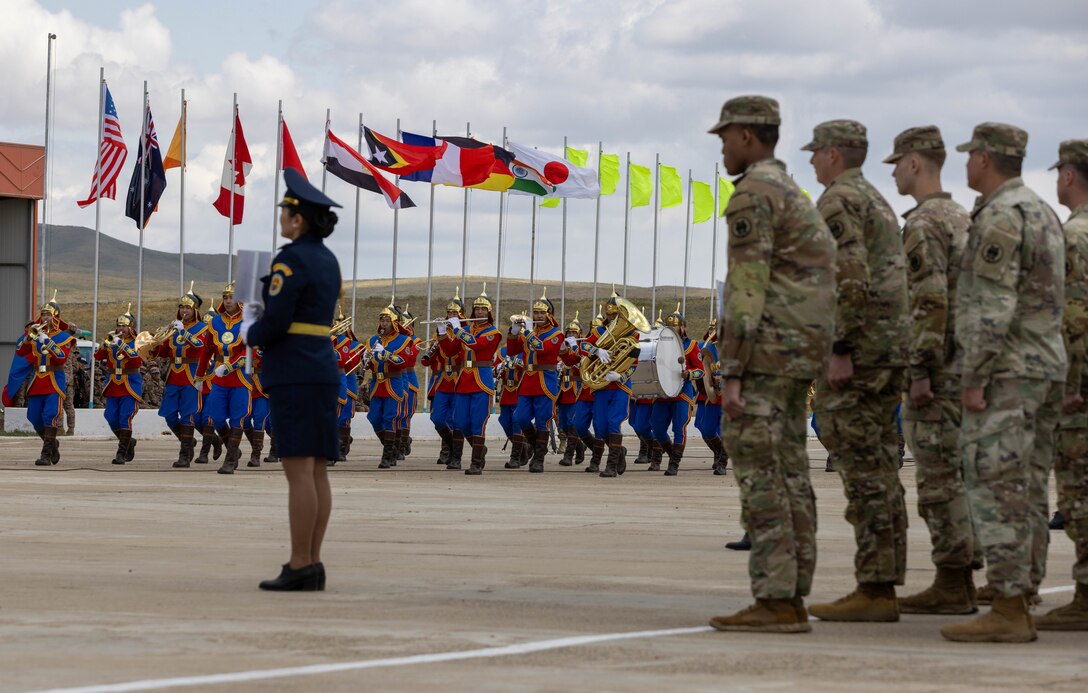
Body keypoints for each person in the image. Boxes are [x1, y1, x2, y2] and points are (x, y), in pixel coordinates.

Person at [705, 95, 836, 633]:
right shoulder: (793, 192)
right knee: (790, 475)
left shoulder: (754, 194)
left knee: (762, 475)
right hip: (798, 353)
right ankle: (792, 595)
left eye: (724, 137)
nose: (721, 147)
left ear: (746, 137)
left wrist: (731, 369)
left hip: (765, 356)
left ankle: (777, 600)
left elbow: (746, 287)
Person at [941, 123, 1066, 643]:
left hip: (1007, 371)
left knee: (996, 486)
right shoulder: (1042, 211)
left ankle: (1010, 605)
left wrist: (974, 375)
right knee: (1029, 484)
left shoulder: (1000, 216)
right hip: (1044, 366)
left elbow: (991, 306)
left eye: (971, 155)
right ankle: (1023, 591)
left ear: (987, 160)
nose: (966, 164)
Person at [804, 119, 911, 623]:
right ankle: (883, 581)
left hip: (860, 351)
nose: (810, 161)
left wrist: (840, 346)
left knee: (864, 470)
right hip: (886, 348)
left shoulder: (840, 200)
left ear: (832, 154)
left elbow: (848, 276)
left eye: (815, 153)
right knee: (881, 468)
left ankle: (874, 587)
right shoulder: (875, 200)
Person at [884, 126, 978, 614]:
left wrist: (918, 371)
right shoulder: (961, 216)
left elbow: (928, 302)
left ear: (915, 163)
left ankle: (951, 582)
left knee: (939, 481)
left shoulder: (924, 223)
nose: (895, 172)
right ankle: (963, 579)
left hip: (936, 374)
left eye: (897, 164)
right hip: (963, 368)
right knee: (959, 476)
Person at [241, 167, 342, 592]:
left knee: (298, 470)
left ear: (298, 219)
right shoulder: (327, 259)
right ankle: (312, 562)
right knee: (316, 469)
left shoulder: (292, 258)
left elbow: (278, 320)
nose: (282, 215)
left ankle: (300, 563)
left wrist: (251, 332)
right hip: (319, 366)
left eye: (286, 210)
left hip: (294, 369)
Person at [1037, 138, 1088, 630]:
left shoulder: (1074, 236)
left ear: (1069, 177)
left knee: (1079, 491)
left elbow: (1073, 318)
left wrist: (1068, 382)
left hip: (1081, 383)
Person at [579, 290, 643, 477]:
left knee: (613, 423)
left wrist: (620, 376)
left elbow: (634, 363)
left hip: (619, 386)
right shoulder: (598, 331)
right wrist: (596, 351)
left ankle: (611, 465)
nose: (613, 318)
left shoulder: (633, 335)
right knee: (599, 425)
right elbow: (583, 346)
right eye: (610, 315)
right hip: (601, 385)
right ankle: (619, 452)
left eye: (616, 315)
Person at [443, 284, 502, 474]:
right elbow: (452, 351)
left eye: (483, 309)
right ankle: (480, 449)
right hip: (464, 381)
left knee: (478, 421)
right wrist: (443, 333)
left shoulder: (494, 332)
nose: (479, 311)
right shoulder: (466, 328)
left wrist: (458, 330)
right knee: (459, 421)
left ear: (489, 312)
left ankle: (476, 462)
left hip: (481, 380)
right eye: (477, 308)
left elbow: (476, 345)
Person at [14, 292, 75, 466]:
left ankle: (46, 454)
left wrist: (48, 341)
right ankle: (52, 443)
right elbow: (20, 352)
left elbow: (61, 358)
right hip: (37, 379)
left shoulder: (64, 337)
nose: (45, 317)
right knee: (33, 416)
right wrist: (28, 338)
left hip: (54, 378)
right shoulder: (35, 334)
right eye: (43, 314)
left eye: (48, 314)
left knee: (51, 414)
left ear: (56, 316)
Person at [197, 283, 252, 474]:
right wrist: (199, 375)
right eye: (226, 297)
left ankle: (229, 461)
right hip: (219, 378)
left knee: (238, 419)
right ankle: (234, 452)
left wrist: (230, 366)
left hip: (240, 378)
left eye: (232, 297)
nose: (228, 301)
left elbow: (249, 352)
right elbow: (207, 350)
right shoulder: (215, 322)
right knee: (216, 417)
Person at [507, 289, 563, 473]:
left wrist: (529, 332)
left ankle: (539, 458)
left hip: (545, 381)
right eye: (536, 312)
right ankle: (536, 445)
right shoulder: (527, 333)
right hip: (528, 381)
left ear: (549, 315)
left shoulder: (556, 334)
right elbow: (512, 351)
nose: (538, 315)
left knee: (542, 420)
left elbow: (542, 348)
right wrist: (514, 333)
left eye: (541, 312)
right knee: (520, 418)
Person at [154, 282, 209, 468]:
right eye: (182, 307)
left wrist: (183, 332)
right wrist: (153, 345)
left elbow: (201, 347)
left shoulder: (202, 328)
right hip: (173, 376)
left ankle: (185, 455)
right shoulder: (173, 327)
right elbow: (163, 352)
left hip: (192, 376)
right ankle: (189, 441)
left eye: (188, 307)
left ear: (195, 310)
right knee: (169, 415)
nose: (184, 310)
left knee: (188, 416)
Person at [650, 305, 704, 476]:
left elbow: (700, 369)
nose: (672, 329)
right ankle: (673, 454)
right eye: (669, 326)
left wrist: (689, 373)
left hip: (682, 392)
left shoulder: (692, 345)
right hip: (663, 392)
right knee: (657, 428)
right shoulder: (660, 346)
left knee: (679, 428)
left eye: (675, 326)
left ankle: (674, 463)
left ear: (682, 328)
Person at [94, 305, 144, 465]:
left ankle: (121, 453)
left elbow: (137, 360)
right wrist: (105, 344)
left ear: (131, 328)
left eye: (124, 326)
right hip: (113, 384)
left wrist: (121, 345)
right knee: (110, 416)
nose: (121, 328)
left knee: (125, 418)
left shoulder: (137, 342)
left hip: (129, 384)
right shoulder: (113, 340)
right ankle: (129, 442)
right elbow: (98, 356)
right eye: (119, 325)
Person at [366, 301, 412, 469]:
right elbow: (371, 363)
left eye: (387, 320)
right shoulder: (372, 340)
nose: (383, 324)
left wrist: (385, 354)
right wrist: (367, 361)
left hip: (393, 382)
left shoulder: (404, 340)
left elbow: (403, 362)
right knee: (374, 418)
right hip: (377, 384)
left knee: (390, 418)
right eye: (382, 320)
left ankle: (387, 456)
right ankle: (391, 450)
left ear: (394, 322)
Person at [422, 291, 464, 467]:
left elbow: (459, 352)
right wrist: (432, 348)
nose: (451, 315)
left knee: (455, 419)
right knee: (438, 418)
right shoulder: (438, 332)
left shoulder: (464, 332)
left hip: (458, 378)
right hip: (441, 380)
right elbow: (428, 361)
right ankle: (451, 448)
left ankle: (449, 452)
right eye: (450, 313)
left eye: (455, 313)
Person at [695, 317, 729, 475]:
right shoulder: (708, 348)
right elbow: (702, 369)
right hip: (712, 396)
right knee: (707, 430)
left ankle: (722, 462)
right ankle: (719, 452)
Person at [194, 310, 223, 465]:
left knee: (208, 418)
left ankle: (204, 453)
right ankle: (216, 441)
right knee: (197, 419)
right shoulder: (201, 340)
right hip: (202, 383)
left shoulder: (222, 341)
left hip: (215, 382)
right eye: (205, 324)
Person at [557, 312, 587, 467]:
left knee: (572, 422)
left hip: (576, 388)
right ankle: (580, 447)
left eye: (574, 332)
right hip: (563, 390)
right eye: (569, 332)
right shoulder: (561, 349)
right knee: (563, 424)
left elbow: (583, 365)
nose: (571, 334)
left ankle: (569, 455)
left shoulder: (582, 348)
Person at [394, 305, 421, 460]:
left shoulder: (415, 340)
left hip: (409, 378)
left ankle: (403, 444)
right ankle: (396, 445)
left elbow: (410, 358)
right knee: (396, 413)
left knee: (406, 414)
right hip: (395, 377)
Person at [494, 344, 528, 468]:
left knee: (516, 421)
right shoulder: (503, 351)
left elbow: (529, 368)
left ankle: (515, 458)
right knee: (504, 421)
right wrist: (498, 369)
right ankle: (523, 447)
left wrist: (516, 362)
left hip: (520, 390)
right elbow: (492, 371)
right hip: (506, 391)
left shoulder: (527, 349)